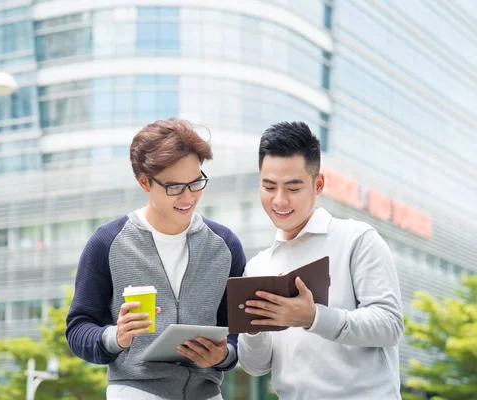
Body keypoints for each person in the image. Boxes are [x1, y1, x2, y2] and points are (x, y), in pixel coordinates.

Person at [66, 118, 246, 400]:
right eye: (174, 186)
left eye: (196, 182)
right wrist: (117, 337)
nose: (188, 197)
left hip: (208, 393)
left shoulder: (225, 246)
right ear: (144, 182)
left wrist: (224, 355)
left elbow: (236, 331)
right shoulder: (107, 243)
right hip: (135, 390)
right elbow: (78, 329)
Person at [238, 121, 404, 399]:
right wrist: (254, 330)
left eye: (293, 188)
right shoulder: (257, 266)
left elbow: (389, 325)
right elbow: (255, 367)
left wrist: (314, 317)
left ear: (318, 184)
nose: (279, 200)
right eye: (269, 187)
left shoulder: (357, 239)